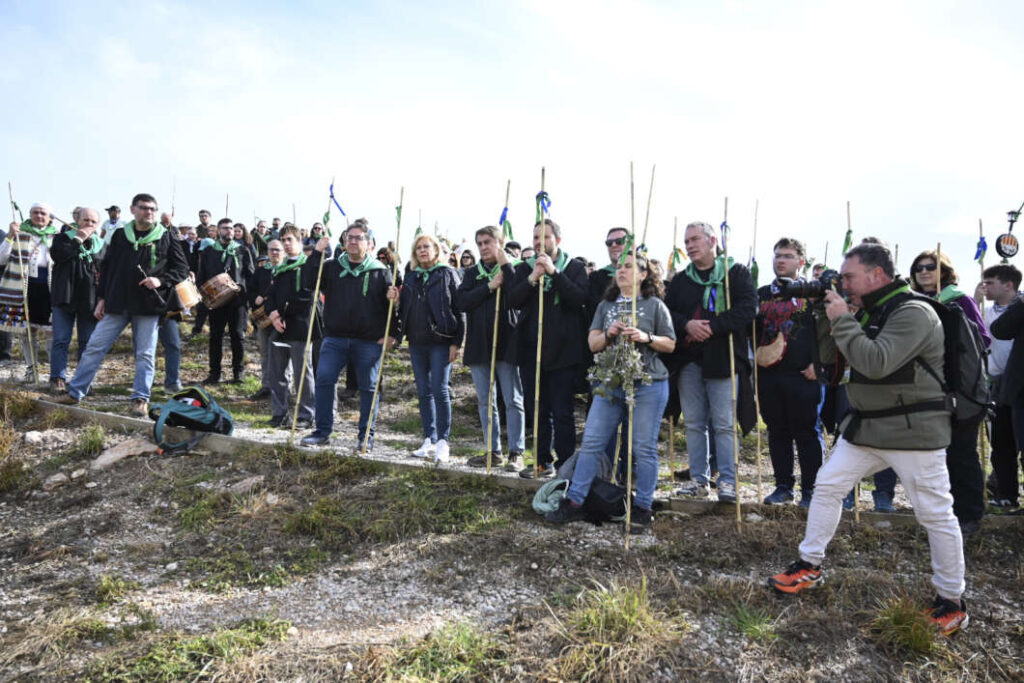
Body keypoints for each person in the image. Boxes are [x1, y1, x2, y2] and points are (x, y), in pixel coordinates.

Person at [767, 242, 968, 635]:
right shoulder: (871, 311)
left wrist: (843, 317)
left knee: (935, 514)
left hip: (913, 432)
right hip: (867, 427)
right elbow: (835, 362)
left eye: (849, 277)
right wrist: (827, 318)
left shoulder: (914, 312)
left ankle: (953, 601)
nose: (843, 284)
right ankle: (809, 566)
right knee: (826, 486)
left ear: (877, 275)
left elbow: (875, 363)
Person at [546, 252, 676, 532]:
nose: (622, 271)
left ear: (643, 274)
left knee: (643, 447)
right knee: (592, 442)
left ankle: (642, 507)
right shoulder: (606, 306)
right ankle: (575, 502)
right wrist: (609, 335)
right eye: (619, 266)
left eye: (629, 267)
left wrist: (646, 337)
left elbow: (671, 343)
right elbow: (593, 343)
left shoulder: (654, 306)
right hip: (608, 384)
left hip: (649, 384)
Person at [60, 193, 189, 416]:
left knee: (145, 354)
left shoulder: (166, 237)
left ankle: (140, 398)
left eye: (152, 209)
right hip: (118, 303)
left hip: (148, 305)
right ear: (133, 209)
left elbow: (181, 269)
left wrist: (160, 280)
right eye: (144, 208)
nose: (149, 212)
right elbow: (107, 268)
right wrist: (101, 298)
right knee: (94, 347)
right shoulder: (120, 235)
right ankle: (74, 393)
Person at [664, 221, 757, 503]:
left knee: (724, 423)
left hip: (724, 358)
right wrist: (688, 326)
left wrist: (713, 326)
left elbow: (749, 307)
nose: (689, 245)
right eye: (686, 241)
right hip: (690, 360)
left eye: (694, 239)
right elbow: (667, 312)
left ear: (712, 240)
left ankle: (728, 481)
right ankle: (698, 480)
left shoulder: (735, 273)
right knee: (694, 422)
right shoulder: (681, 280)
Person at [908, 249, 988, 535]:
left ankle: (969, 515)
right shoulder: (912, 303)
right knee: (931, 456)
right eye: (919, 268)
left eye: (931, 266)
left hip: (960, 390)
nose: (925, 271)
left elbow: (982, 338)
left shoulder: (960, 300)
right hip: (924, 392)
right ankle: (940, 515)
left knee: (961, 453)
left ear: (944, 271)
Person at [299, 221, 397, 448]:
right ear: (343, 242)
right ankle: (322, 432)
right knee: (324, 379)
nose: (353, 241)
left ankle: (366, 438)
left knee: (369, 388)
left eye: (358, 237)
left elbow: (392, 308)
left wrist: (391, 333)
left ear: (369, 243)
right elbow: (308, 283)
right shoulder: (332, 266)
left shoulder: (381, 272)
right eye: (349, 238)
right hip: (335, 338)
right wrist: (316, 254)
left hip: (369, 341)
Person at [507, 219, 590, 478]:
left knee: (562, 411)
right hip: (532, 352)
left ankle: (565, 463)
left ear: (557, 241)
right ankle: (542, 461)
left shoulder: (574, 267)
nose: (539, 242)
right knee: (538, 409)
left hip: (564, 353)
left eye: (545, 237)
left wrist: (554, 273)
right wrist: (533, 278)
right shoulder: (524, 269)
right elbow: (514, 300)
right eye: (534, 238)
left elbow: (580, 299)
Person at [755, 238, 823, 507]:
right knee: (777, 431)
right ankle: (783, 486)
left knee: (806, 432)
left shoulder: (814, 293)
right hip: (769, 374)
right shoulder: (761, 294)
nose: (780, 260)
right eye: (777, 255)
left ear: (801, 261)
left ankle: (811, 490)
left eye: (787, 256)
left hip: (803, 374)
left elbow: (828, 331)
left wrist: (820, 364)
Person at [388, 234, 464, 461]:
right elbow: (404, 309)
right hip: (417, 340)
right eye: (418, 248)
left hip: (441, 340)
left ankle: (443, 440)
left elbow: (459, 309)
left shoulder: (447, 274)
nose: (422, 251)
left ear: (435, 250)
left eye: (426, 247)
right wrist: (396, 301)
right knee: (423, 392)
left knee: (440, 390)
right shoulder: (411, 277)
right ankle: (429, 438)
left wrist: (457, 342)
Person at [455, 226, 525, 470]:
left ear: (500, 242)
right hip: (478, 345)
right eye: (480, 243)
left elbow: (519, 292)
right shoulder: (473, 273)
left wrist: (505, 267)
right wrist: (489, 287)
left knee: (513, 399)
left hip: (507, 343)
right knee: (486, 401)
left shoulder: (512, 267)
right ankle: (492, 451)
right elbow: (461, 301)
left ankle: (516, 451)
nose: (484, 247)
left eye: (488, 242)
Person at [265, 225, 318, 428]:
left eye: (290, 240)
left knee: (302, 373)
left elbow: (307, 295)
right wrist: (273, 314)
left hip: (300, 326)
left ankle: (306, 415)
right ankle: (280, 414)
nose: (286, 244)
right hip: (279, 327)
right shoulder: (280, 268)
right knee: (277, 373)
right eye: (283, 240)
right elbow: (270, 294)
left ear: (299, 241)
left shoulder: (307, 267)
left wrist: (283, 313)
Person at [980, 264, 1023, 509]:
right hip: (1001, 384)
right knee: (1002, 443)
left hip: (1018, 382)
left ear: (1008, 285)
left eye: (990, 283)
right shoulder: (989, 311)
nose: (985, 287)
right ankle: (1006, 494)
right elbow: (995, 332)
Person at [49, 207, 104, 393]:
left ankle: (83, 381)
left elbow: (106, 273)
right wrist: (78, 239)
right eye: (86, 220)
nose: (89, 224)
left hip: (89, 299)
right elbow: (58, 256)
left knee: (87, 343)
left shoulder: (101, 245)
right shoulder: (63, 238)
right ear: (76, 220)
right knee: (61, 340)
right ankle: (58, 378)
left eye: (93, 222)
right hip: (64, 296)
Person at [0, 202, 56, 383]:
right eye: (35, 213)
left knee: (51, 331)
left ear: (49, 218)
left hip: (50, 289)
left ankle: (55, 372)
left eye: (43, 213)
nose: (39, 216)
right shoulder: (20, 234)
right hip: (25, 288)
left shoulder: (56, 236)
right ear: (30, 215)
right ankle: (31, 369)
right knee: (27, 331)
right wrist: (10, 236)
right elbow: (2, 258)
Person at [198, 217, 255, 384]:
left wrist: (245, 291)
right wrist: (205, 295)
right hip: (216, 303)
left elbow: (251, 275)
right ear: (218, 231)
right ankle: (214, 373)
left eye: (230, 228)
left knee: (238, 336)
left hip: (238, 302)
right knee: (215, 337)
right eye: (224, 228)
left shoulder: (243, 250)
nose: (228, 231)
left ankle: (238, 373)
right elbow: (202, 275)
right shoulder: (209, 251)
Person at [248, 240, 284, 400]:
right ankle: (266, 386)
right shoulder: (260, 272)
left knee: (282, 354)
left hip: (283, 318)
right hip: (264, 318)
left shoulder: (288, 270)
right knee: (265, 354)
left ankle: (282, 389)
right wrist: (255, 297)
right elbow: (250, 289)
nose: (274, 253)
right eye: (272, 250)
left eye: (278, 250)